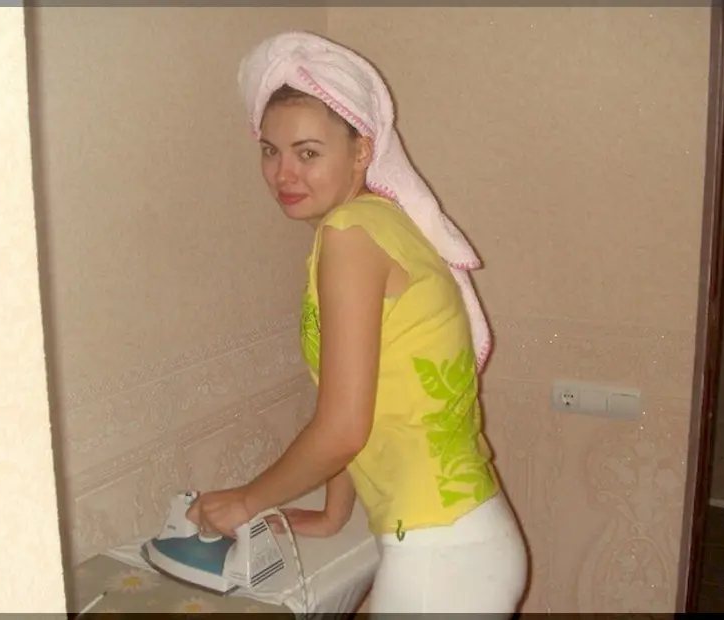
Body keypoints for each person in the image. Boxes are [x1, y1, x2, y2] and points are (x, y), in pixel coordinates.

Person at [186, 31, 528, 615]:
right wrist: (334, 512)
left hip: (440, 552)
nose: (284, 173)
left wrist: (245, 502)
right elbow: (367, 400)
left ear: (362, 150)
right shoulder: (379, 224)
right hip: (458, 535)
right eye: (270, 150)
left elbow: (343, 427)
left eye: (308, 153)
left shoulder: (350, 237)